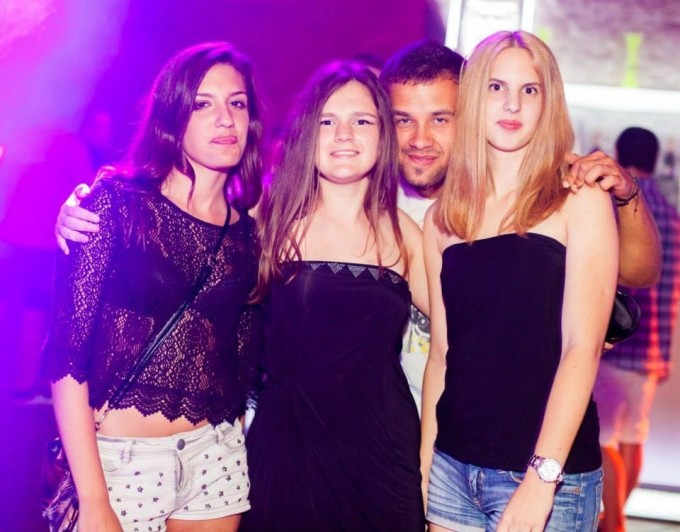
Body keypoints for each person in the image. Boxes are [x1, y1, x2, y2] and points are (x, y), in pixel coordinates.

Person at [42, 42, 263, 531]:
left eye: (237, 103)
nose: (225, 119)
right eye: (202, 104)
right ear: (172, 117)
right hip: (120, 463)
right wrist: (93, 500)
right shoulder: (116, 205)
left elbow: (242, 357)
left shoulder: (248, 234)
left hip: (216, 456)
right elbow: (66, 356)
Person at [421, 31, 619, 532]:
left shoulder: (579, 200)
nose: (512, 104)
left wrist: (541, 477)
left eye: (530, 90)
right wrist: (424, 469)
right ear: (472, 97)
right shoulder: (442, 219)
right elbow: (442, 355)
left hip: (548, 475)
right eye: (496, 87)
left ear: (548, 102)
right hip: (452, 469)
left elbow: (582, 348)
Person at [242, 61, 428, 531]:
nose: (344, 134)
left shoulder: (405, 234)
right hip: (287, 455)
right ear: (308, 133)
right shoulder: (269, 218)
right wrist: (88, 209)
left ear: (383, 135)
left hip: (382, 462)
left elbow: (464, 336)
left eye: (361, 121)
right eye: (327, 121)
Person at [593, 127, 680, 532]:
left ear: (618, 153)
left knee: (601, 440)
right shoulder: (672, 215)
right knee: (632, 438)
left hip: (615, 345)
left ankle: (613, 523)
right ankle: (615, 519)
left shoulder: (616, 207)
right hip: (652, 350)